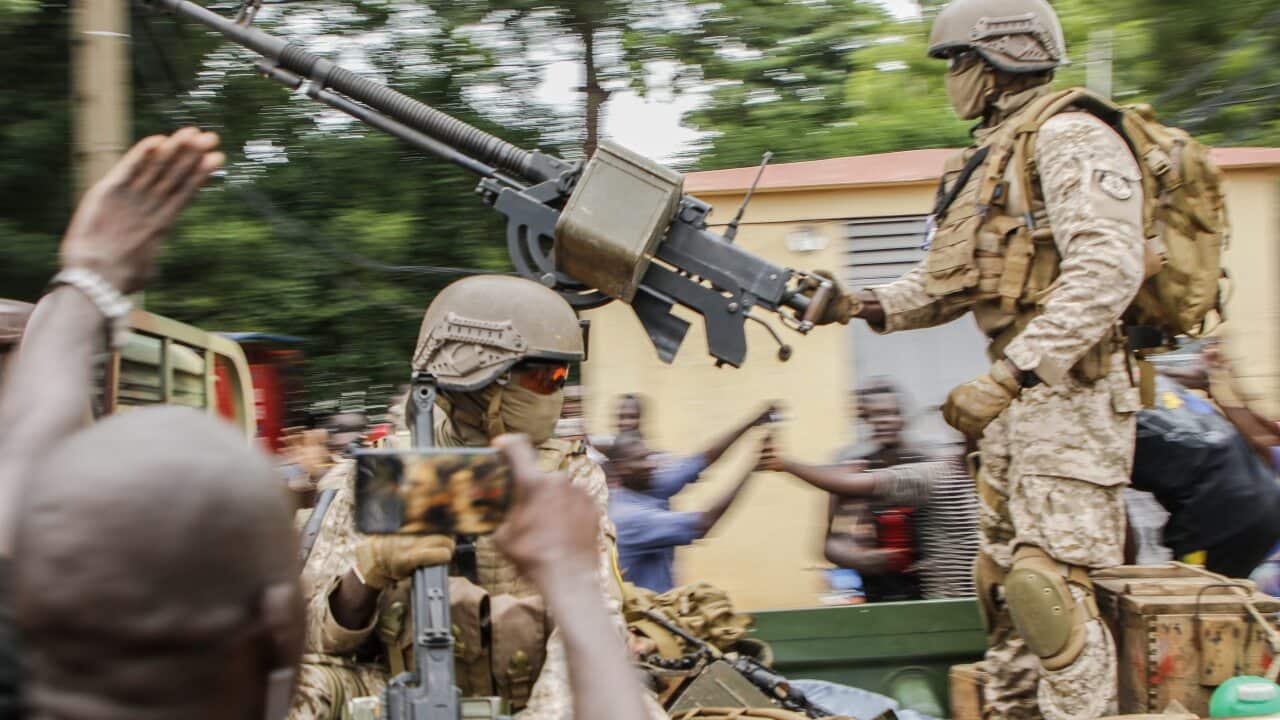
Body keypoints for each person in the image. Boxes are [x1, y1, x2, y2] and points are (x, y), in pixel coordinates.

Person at [807, 1, 1145, 716]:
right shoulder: (993, 157)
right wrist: (853, 302)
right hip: (1015, 412)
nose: (952, 78)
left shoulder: (1070, 136)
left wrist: (1008, 374)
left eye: (959, 61)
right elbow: (941, 283)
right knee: (1006, 596)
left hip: (1072, 400)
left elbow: (1110, 269)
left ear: (1000, 62)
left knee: (1051, 596)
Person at [291, 274, 665, 720]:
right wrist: (364, 576)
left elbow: (585, 635)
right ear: (479, 379)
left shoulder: (567, 475)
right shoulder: (377, 474)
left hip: (534, 697)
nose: (559, 392)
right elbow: (312, 639)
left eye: (564, 375)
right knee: (294, 689)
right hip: (395, 689)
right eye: (548, 376)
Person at [766, 431, 979, 602]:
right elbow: (832, 545)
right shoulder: (936, 476)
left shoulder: (997, 479)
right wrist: (787, 465)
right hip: (942, 606)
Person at [605, 413, 773, 593]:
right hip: (643, 615)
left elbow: (702, 459)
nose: (651, 465)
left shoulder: (647, 484)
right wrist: (752, 468)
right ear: (620, 467)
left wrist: (750, 424)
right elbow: (704, 523)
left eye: (648, 457)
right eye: (640, 460)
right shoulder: (628, 516)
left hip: (659, 605)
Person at [825, 381, 934, 602]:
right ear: (864, 418)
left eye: (892, 413)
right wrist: (861, 558)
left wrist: (937, 559)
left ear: (903, 417)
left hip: (934, 584)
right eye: (876, 415)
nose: (885, 420)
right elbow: (831, 544)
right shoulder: (852, 468)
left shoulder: (926, 461)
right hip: (876, 586)